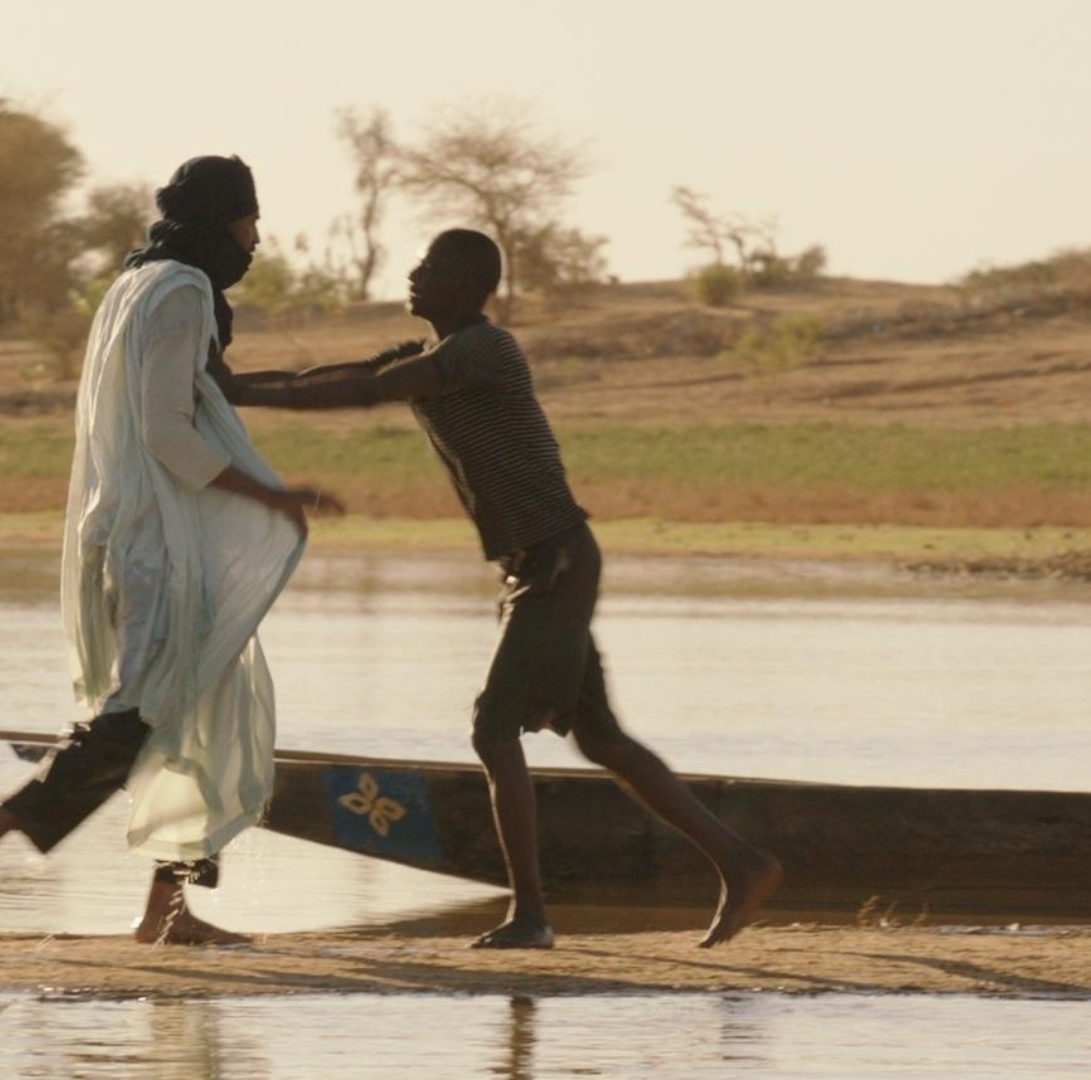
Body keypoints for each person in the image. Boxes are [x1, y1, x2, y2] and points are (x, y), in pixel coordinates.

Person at [221, 228, 782, 949]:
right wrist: (232, 385)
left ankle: (532, 916)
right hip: (539, 565)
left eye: (428, 268)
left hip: (555, 563)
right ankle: (742, 863)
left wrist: (234, 389)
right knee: (602, 739)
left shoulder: (482, 351)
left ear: (464, 284)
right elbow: (337, 375)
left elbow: (365, 390)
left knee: (493, 730)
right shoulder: (433, 353)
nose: (413, 276)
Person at [0, 155, 343, 946]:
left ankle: (168, 912)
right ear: (221, 221)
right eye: (249, 222)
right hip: (160, 545)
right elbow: (165, 432)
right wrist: (270, 496)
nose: (255, 241)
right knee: (142, 712)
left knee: (204, 711)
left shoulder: (136, 284)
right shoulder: (182, 289)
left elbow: (181, 400)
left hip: (147, 535)